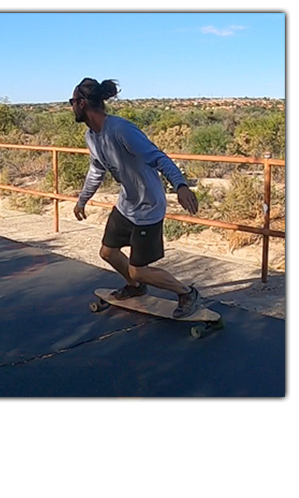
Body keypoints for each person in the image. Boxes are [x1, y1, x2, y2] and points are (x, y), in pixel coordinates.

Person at [71, 77, 202, 318]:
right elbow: (96, 170)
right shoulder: (92, 136)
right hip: (127, 204)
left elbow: (159, 157)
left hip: (148, 207)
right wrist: (82, 199)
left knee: (138, 269)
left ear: (83, 103)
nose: (71, 106)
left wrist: (180, 185)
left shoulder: (121, 130)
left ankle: (186, 293)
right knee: (107, 253)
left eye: (72, 101)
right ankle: (135, 287)